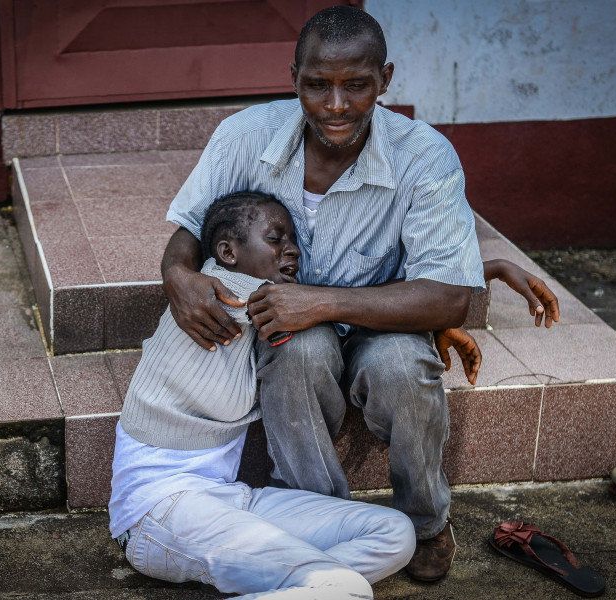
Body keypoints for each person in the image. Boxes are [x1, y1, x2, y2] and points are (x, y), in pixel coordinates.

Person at [160, 5, 557, 583]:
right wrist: (177, 276)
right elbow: (188, 232)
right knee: (297, 351)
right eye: (317, 85)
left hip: (383, 326)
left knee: (401, 367)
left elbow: (450, 298)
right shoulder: (245, 134)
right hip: (294, 331)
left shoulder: (424, 156)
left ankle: (424, 523)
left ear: (386, 81)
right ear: (293, 76)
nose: (336, 105)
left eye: (357, 86)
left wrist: (323, 301)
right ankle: (321, 519)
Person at [109, 191, 417, 600]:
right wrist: (445, 296)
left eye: (292, 241)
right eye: (275, 239)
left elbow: (334, 297)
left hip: (232, 500)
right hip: (160, 511)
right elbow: (342, 294)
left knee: (395, 532)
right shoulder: (225, 295)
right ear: (227, 252)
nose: (291, 250)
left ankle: (306, 583)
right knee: (345, 586)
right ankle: (319, 583)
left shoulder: (251, 297)